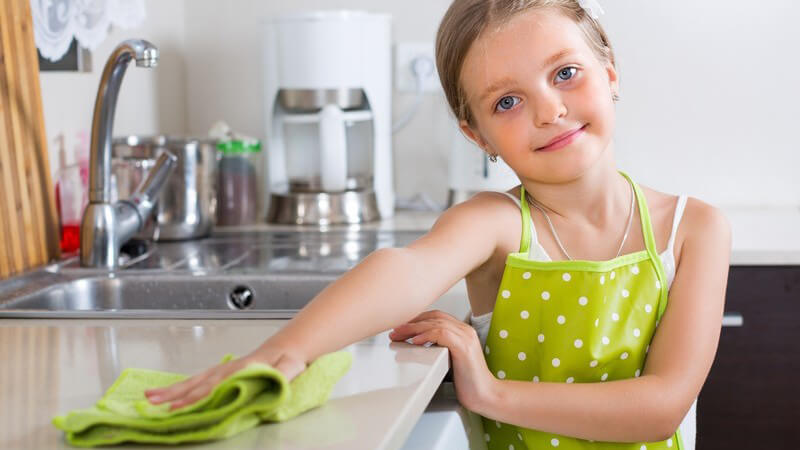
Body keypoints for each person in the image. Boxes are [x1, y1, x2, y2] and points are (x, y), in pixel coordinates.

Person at [146, 1, 731, 448]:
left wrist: (492, 394)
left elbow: (662, 407)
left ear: (610, 73)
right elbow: (406, 269)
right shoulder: (497, 223)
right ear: (477, 136)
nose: (549, 110)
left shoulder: (695, 229)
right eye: (507, 102)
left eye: (566, 73)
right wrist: (286, 351)